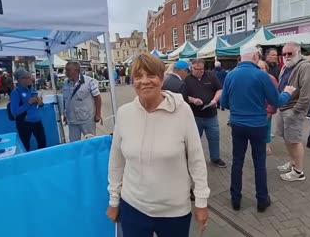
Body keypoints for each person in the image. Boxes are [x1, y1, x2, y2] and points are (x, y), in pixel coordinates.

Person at [106, 53, 210, 237]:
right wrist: (114, 201)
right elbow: (117, 162)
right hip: (133, 207)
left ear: (162, 79)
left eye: (151, 75)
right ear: (132, 81)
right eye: (138, 77)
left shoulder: (182, 110)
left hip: (174, 212)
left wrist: (201, 202)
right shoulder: (124, 114)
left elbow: (196, 160)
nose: (145, 81)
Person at [221, 47, 294, 212]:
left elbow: (224, 103)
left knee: (237, 161)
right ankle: (262, 200)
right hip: (258, 125)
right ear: (255, 56)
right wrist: (288, 93)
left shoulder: (230, 75)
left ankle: (235, 200)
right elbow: (276, 101)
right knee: (259, 163)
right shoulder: (261, 75)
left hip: (238, 125)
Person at [275, 42, 310, 182]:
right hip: (283, 107)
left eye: (289, 53)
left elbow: (307, 94)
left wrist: (296, 110)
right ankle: (293, 163)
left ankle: (298, 172)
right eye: (284, 54)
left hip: (293, 109)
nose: (286, 56)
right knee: (287, 138)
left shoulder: (305, 67)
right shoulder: (287, 66)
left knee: (294, 140)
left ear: (298, 52)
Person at [185, 58, 227, 168]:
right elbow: (183, 96)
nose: (200, 71)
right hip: (195, 115)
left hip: (211, 114)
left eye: (202, 69)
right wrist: (192, 100)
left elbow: (219, 89)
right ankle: (193, 161)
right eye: (197, 69)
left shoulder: (211, 76)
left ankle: (215, 158)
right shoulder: (187, 79)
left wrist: (215, 100)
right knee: (194, 140)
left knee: (214, 137)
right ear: (191, 68)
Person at [62, 62, 102, 142]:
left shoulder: (89, 82)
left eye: (68, 70)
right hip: (72, 120)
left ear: (76, 71)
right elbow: (65, 100)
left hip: (87, 119)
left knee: (91, 142)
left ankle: (91, 155)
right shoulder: (65, 84)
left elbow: (97, 98)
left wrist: (98, 114)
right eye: (66, 70)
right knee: (74, 144)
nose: (66, 72)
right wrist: (65, 114)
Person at [10, 68, 46, 151]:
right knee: (25, 145)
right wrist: (29, 103)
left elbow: (38, 104)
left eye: (30, 76)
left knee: (42, 143)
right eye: (28, 77)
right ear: (21, 79)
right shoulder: (16, 92)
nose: (31, 78)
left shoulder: (32, 89)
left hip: (37, 121)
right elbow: (14, 112)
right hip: (24, 123)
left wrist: (40, 103)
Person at [257, 61, 279, 155]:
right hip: (256, 108)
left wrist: (270, 110)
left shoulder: (271, 79)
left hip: (266, 108)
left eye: (262, 68)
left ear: (266, 69)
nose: (260, 70)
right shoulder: (253, 78)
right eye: (258, 68)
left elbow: (275, 96)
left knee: (267, 127)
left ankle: (267, 145)